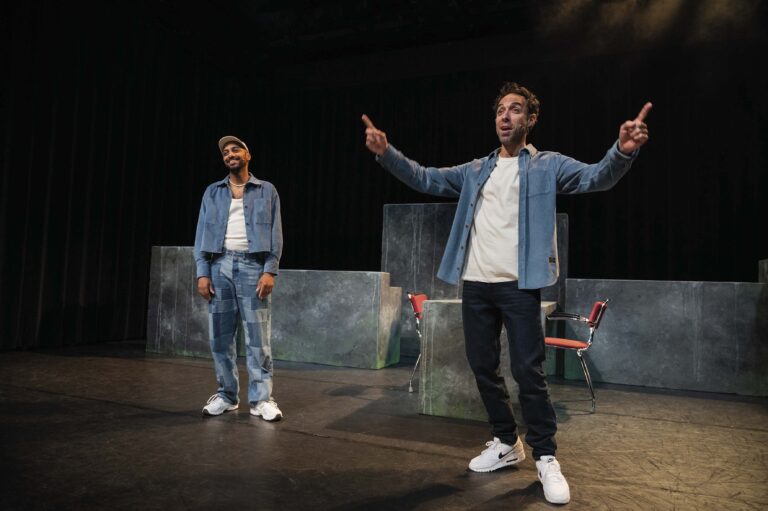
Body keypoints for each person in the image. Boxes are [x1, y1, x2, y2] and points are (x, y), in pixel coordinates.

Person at [362, 82, 651, 504]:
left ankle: (546, 456)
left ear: (530, 119)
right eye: (500, 110)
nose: (504, 116)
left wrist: (622, 151)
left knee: (528, 373)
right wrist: (386, 153)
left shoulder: (547, 165)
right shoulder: (477, 169)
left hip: (519, 286)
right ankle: (505, 442)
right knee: (482, 367)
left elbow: (595, 178)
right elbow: (424, 178)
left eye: (514, 110)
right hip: (476, 284)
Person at [193, 135, 284, 421]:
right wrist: (202, 272)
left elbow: (276, 235)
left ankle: (261, 400)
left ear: (248, 155)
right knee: (220, 337)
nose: (230, 154)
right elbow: (200, 236)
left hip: (253, 267)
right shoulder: (212, 192)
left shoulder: (266, 190)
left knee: (258, 338)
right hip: (219, 265)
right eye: (225, 152)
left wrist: (270, 269)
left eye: (236, 150)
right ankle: (227, 395)